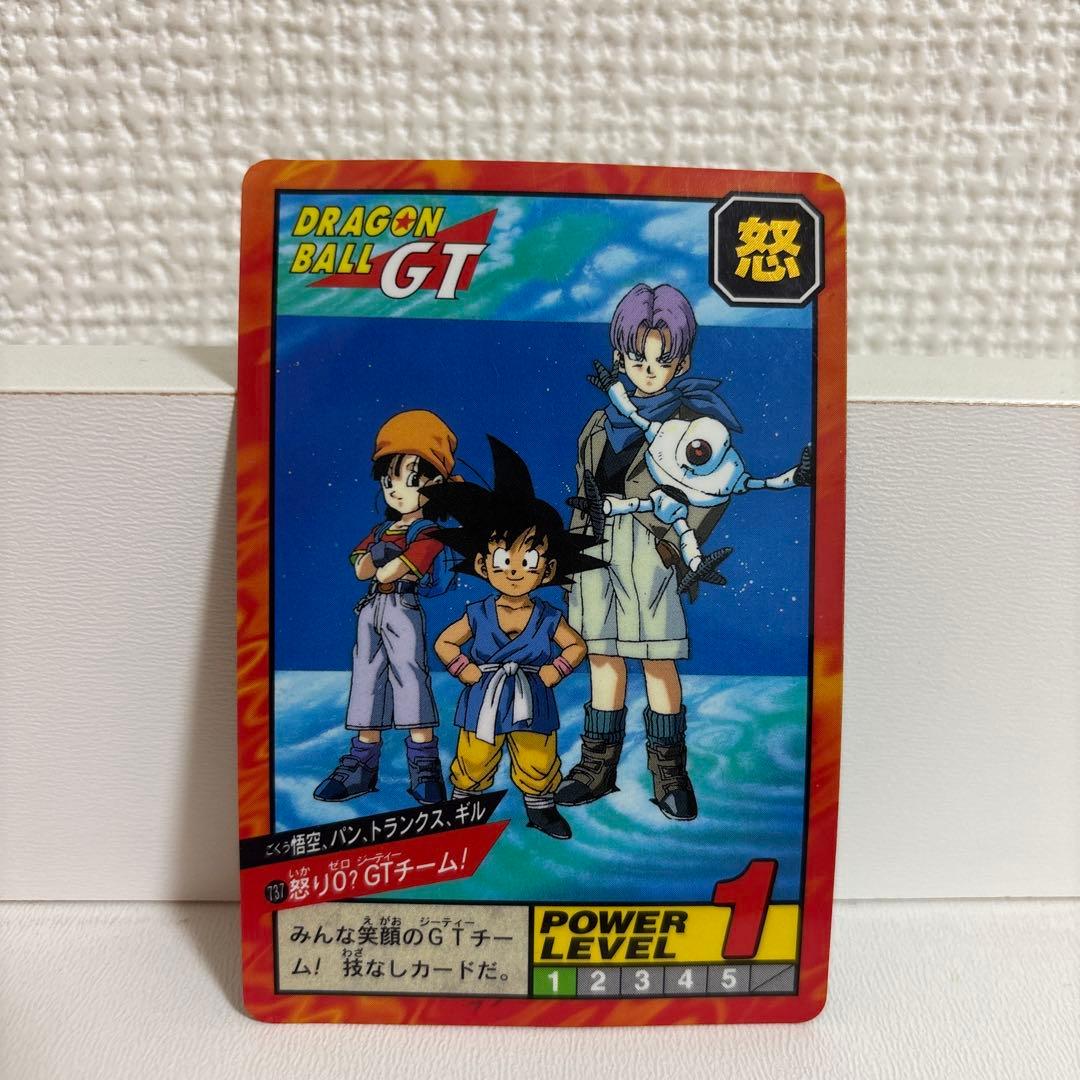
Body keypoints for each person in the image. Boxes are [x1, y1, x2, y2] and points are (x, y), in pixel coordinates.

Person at [560, 283, 744, 821]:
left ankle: (670, 775)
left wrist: (674, 547)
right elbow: (584, 488)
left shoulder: (691, 426)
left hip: (650, 546)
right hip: (594, 549)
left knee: (657, 659)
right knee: (603, 657)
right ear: (620, 357)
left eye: (662, 360)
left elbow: (713, 491)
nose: (648, 370)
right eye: (638, 358)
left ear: (681, 363)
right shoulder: (599, 423)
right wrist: (570, 555)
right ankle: (597, 769)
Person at [427, 437, 607, 840]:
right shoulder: (478, 613)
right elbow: (444, 643)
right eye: (502, 559)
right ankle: (464, 809)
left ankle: (540, 809)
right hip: (483, 696)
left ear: (548, 570)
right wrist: (463, 669)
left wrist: (556, 670)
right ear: (482, 564)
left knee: (537, 757)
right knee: (474, 756)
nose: (513, 570)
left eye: (527, 560)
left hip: (533, 698)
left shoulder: (547, 616)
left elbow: (576, 646)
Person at [313, 410, 458, 807]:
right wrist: (379, 558)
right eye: (389, 480)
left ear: (435, 485)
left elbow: (390, 570)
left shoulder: (429, 532)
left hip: (402, 607)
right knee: (367, 678)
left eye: (411, 480)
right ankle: (362, 763)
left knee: (409, 679)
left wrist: (381, 559)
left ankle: (424, 766)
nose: (396, 490)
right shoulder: (382, 530)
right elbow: (362, 570)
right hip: (371, 609)